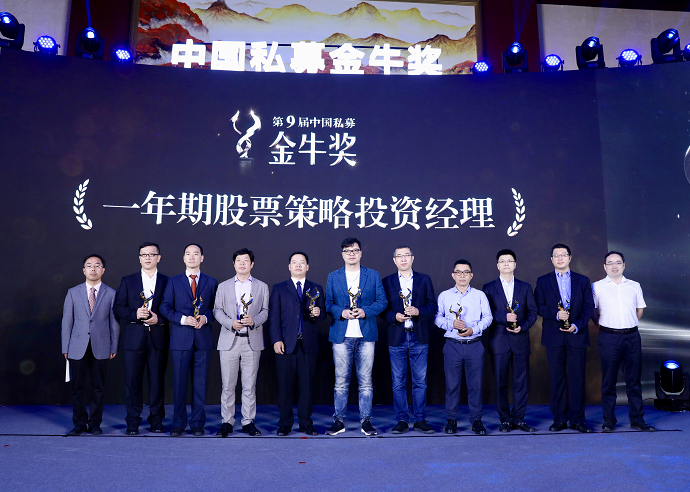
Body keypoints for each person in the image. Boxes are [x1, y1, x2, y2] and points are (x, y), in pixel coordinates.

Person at [325, 237, 387, 436]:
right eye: (347, 251)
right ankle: (339, 421)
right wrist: (341, 312)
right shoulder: (333, 277)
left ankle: (366, 421)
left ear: (361, 253)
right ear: (342, 254)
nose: (351, 254)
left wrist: (365, 311)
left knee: (366, 382)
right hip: (341, 335)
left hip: (366, 335)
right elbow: (328, 304)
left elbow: (382, 301)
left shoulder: (373, 275)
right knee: (340, 382)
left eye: (355, 250)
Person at [535, 243, 594, 433]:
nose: (560, 258)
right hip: (554, 336)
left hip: (577, 334)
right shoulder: (543, 281)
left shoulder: (582, 280)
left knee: (577, 378)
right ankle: (559, 419)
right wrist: (555, 314)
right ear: (551, 259)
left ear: (570, 257)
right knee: (557, 378)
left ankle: (578, 420)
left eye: (563, 254)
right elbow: (538, 307)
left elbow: (589, 307)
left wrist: (577, 325)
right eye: (556, 255)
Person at [592, 251, 654, 432]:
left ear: (624, 265)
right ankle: (608, 420)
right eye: (610, 263)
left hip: (632, 337)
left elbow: (639, 310)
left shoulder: (634, 285)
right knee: (608, 381)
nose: (614, 266)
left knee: (633, 380)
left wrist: (627, 325)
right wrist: (608, 326)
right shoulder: (597, 286)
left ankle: (637, 419)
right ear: (605, 267)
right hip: (608, 337)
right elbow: (593, 312)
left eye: (618, 262)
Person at [160, 243, 217, 437]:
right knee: (179, 383)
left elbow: (217, 308)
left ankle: (198, 423)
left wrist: (205, 318)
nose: (192, 257)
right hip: (180, 339)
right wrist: (184, 319)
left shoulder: (211, 282)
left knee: (200, 384)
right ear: (184, 258)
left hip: (203, 339)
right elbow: (165, 307)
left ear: (202, 258)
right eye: (188, 254)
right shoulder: (173, 281)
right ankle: (178, 423)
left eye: (196, 254)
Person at [114, 242, 169, 435]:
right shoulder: (128, 280)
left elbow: (172, 308)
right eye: (144, 254)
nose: (147, 258)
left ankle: (156, 419)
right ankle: (132, 421)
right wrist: (134, 314)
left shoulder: (167, 281)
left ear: (158, 258)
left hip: (158, 337)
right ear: (139, 258)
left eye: (151, 254)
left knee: (157, 382)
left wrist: (159, 319)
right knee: (132, 382)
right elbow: (118, 308)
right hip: (133, 338)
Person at [269, 251, 326, 436]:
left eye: (302, 262)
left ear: (307, 266)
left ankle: (306, 423)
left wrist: (318, 313)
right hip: (286, 344)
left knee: (307, 387)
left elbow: (323, 315)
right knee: (285, 387)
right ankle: (285, 423)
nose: (298, 265)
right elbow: (274, 317)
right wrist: (276, 339)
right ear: (289, 267)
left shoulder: (316, 288)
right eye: (295, 262)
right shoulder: (279, 288)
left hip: (308, 344)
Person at [381, 245, 436, 434]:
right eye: (399, 256)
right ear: (394, 260)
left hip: (418, 336)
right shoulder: (387, 281)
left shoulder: (424, 279)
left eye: (407, 255)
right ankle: (402, 420)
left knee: (420, 381)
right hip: (397, 336)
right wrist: (394, 316)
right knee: (398, 382)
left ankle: (419, 419)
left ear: (412, 258)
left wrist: (418, 311)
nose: (403, 259)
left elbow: (433, 306)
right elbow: (382, 309)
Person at [214, 248, 269, 437]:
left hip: (251, 341)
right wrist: (230, 323)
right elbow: (217, 310)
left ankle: (248, 422)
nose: (242, 263)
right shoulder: (223, 286)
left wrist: (254, 320)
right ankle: (227, 422)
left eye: (246, 260)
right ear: (234, 263)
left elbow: (265, 311)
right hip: (229, 340)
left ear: (252, 264)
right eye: (239, 260)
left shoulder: (262, 286)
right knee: (228, 386)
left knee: (249, 385)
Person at [62, 254, 119, 436]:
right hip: (77, 346)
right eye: (89, 265)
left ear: (103, 270)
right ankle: (79, 423)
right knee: (77, 388)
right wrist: (65, 347)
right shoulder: (73, 292)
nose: (93, 269)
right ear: (84, 270)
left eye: (97, 265)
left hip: (101, 346)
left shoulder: (111, 293)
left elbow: (114, 322)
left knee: (98, 388)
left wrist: (113, 346)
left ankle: (95, 423)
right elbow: (67, 321)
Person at [482, 249, 538, 433]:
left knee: (521, 381)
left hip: (520, 338)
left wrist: (522, 326)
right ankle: (505, 419)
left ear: (515, 264)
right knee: (500, 382)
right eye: (502, 261)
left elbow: (533, 312)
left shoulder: (525, 287)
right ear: (497, 265)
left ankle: (519, 418)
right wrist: (503, 317)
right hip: (499, 340)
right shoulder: (489, 287)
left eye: (509, 260)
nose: (506, 263)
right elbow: (485, 313)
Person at [435, 259, 492, 435]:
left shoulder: (480, 295)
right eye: (458, 272)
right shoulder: (444, 296)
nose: (462, 275)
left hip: (474, 344)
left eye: (466, 272)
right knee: (452, 385)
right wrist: (451, 324)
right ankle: (451, 419)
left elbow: (488, 317)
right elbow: (437, 318)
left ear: (471, 275)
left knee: (475, 385)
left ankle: (476, 420)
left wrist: (473, 329)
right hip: (452, 345)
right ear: (453, 275)